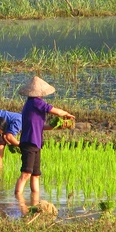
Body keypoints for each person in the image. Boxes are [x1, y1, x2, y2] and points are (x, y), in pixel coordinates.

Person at [14, 75, 75, 208]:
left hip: (35, 143)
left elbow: (41, 127)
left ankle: (35, 204)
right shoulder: (36, 102)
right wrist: (66, 114)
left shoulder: (32, 105)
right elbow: (54, 111)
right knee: (26, 173)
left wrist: (57, 127)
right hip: (29, 142)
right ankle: (19, 202)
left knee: (35, 174)